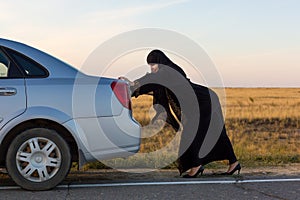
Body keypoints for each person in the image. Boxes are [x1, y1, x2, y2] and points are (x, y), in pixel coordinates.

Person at [119, 50, 241, 177]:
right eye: (150, 65)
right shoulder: (164, 74)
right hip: (200, 102)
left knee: (192, 133)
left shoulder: (169, 71)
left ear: (160, 62)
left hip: (204, 101)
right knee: (212, 131)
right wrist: (131, 86)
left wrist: (133, 83)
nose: (152, 68)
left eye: (153, 64)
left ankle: (196, 166)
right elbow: (153, 83)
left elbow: (153, 79)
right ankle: (233, 163)